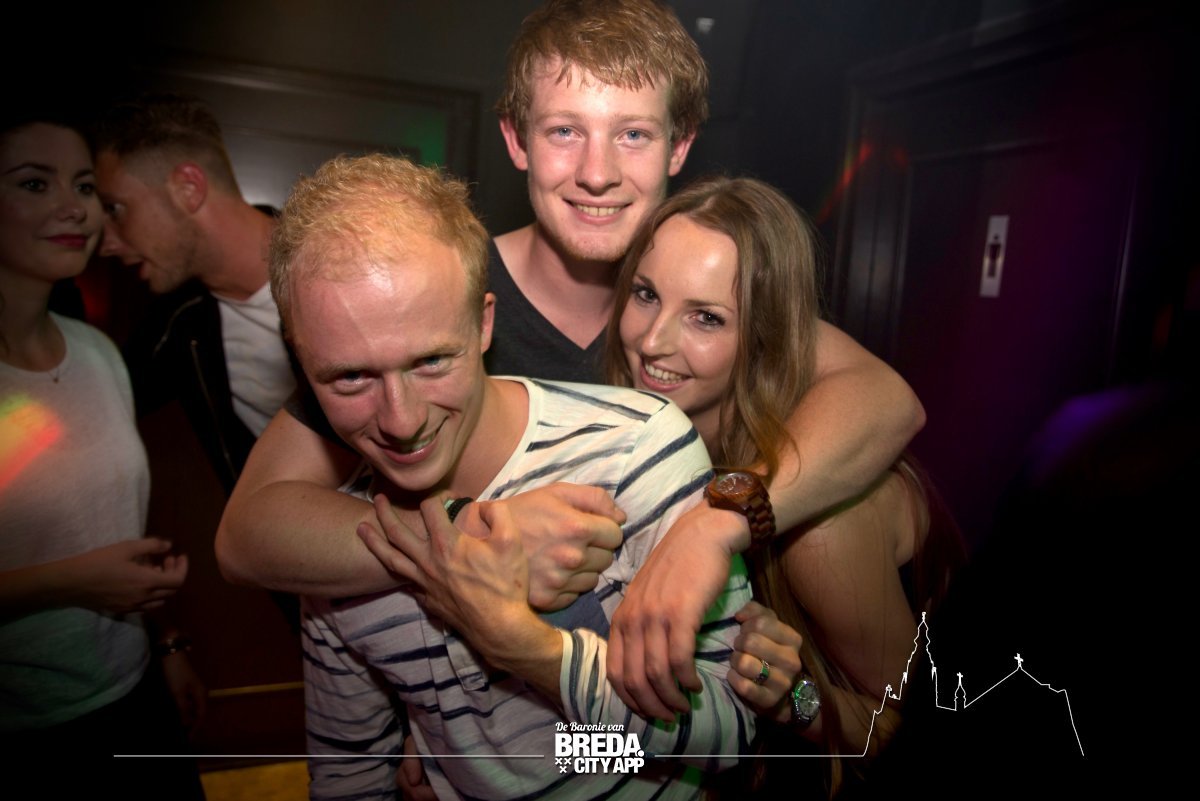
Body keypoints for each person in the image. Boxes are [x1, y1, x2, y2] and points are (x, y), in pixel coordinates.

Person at [216, 0, 924, 701]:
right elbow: (250, 531)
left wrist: (716, 528)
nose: (597, 172)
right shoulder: (440, 297)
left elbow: (884, 398)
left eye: (634, 134)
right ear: (516, 139)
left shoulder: (700, 282)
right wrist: (474, 539)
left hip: (666, 706)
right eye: (564, 130)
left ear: (679, 147)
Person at [276, 152, 754, 799]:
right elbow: (349, 774)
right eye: (350, 377)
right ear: (301, 363)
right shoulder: (328, 545)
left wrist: (535, 656)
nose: (401, 419)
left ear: (484, 324)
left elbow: (729, 735)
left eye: (431, 360)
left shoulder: (633, 449)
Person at [603, 175, 965, 795]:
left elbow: (925, 735)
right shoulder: (644, 446)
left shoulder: (819, 528)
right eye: (645, 294)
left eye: (706, 318)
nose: (652, 341)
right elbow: (633, 738)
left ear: (764, 338)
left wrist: (793, 698)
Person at [0, 111, 204, 798]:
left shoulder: (98, 353)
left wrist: (167, 643)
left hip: (134, 688)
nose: (75, 208)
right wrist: (69, 583)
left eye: (85, 187)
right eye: (35, 183)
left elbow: (119, 529)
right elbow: (89, 569)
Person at [92, 92, 296, 497]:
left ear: (188, 188)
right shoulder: (180, 325)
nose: (107, 244)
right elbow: (86, 407)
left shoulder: (346, 270)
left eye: (115, 209)